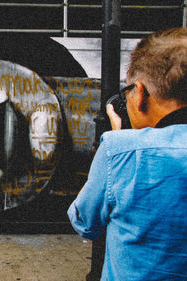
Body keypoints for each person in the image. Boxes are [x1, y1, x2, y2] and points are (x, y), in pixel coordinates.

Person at [67, 27, 187, 280]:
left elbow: (84, 223)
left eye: (128, 91)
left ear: (140, 93)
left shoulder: (119, 151)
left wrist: (120, 141)